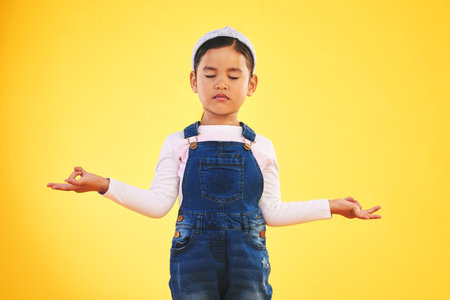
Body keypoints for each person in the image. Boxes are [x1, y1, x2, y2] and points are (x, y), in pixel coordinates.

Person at [47, 26, 382, 300]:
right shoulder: (178, 142)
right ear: (194, 81)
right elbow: (157, 205)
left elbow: (273, 213)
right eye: (210, 74)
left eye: (234, 76)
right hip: (193, 259)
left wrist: (333, 206)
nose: (222, 83)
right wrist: (102, 185)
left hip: (248, 259)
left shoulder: (261, 147)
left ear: (251, 85)